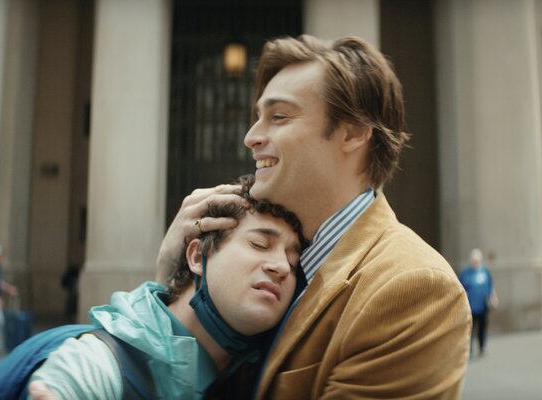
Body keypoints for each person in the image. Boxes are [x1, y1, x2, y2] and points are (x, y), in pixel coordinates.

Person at [156, 35, 472, 399]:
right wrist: (168, 281)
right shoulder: (256, 263)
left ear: (353, 133)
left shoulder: (414, 288)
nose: (250, 137)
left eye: (278, 117)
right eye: (258, 118)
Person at [28, 175, 307, 399]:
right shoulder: (97, 363)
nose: (282, 267)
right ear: (196, 257)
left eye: (293, 264)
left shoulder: (259, 378)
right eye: (260, 244)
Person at [459, 248, 498, 357]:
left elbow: (490, 286)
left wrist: (493, 298)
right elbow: (460, 287)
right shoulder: (465, 273)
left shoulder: (484, 271)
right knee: (470, 328)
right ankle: (469, 349)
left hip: (482, 304)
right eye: (473, 261)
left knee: (482, 327)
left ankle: (482, 347)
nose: (475, 264)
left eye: (477, 261)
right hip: (470, 305)